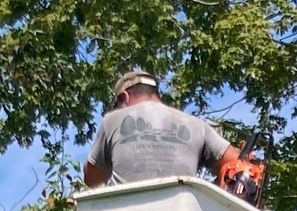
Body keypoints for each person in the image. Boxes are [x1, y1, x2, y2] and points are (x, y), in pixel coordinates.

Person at [83, 69, 240, 188]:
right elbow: (240, 166)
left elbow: (92, 179)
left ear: (124, 97)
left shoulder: (112, 120)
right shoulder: (197, 125)